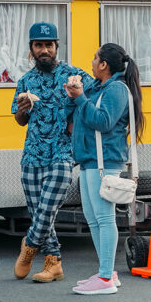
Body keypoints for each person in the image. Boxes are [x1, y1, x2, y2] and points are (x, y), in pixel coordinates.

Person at [11, 22, 90, 284]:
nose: (44, 50)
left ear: (56, 47)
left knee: (47, 208)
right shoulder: (25, 80)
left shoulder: (74, 75)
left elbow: (94, 99)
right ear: (31, 49)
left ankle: (28, 247)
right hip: (32, 155)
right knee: (39, 212)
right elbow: (20, 121)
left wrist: (77, 109)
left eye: (49, 45)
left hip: (62, 153)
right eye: (39, 46)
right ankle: (53, 262)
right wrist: (23, 108)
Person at [64, 42, 144, 295]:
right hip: (90, 159)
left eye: (94, 58)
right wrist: (75, 95)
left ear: (103, 65)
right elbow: (82, 114)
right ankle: (106, 271)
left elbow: (104, 122)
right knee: (93, 218)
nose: (91, 62)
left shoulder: (116, 89)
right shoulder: (100, 87)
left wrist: (81, 99)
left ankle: (106, 277)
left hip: (105, 161)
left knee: (104, 217)